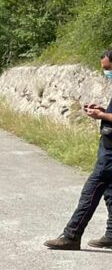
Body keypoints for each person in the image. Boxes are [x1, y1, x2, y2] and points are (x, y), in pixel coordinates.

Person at [45, 49, 112, 250]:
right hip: (107, 146)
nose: (106, 73)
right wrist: (102, 110)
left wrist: (100, 116)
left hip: (111, 154)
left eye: (108, 68)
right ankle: (111, 234)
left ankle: (72, 235)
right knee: (110, 191)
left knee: (91, 189)